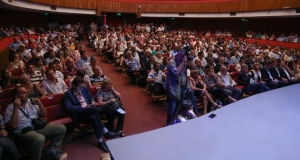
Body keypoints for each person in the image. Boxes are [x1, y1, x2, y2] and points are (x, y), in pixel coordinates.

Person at [5, 86, 66, 160]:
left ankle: (51, 153)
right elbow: (13, 126)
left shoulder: (31, 102)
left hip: (38, 126)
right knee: (40, 138)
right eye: (24, 93)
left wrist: (40, 104)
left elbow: (44, 114)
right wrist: (16, 108)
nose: (27, 94)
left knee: (61, 128)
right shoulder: (10, 108)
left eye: (27, 92)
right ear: (16, 96)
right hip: (24, 132)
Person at [64, 77, 118, 152]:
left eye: (82, 86)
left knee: (94, 118)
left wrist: (92, 101)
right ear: (74, 86)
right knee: (95, 110)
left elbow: (91, 97)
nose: (81, 89)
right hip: (79, 114)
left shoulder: (84, 89)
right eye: (79, 87)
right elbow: (69, 107)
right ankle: (105, 131)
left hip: (89, 111)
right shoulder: (68, 94)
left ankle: (100, 141)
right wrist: (84, 106)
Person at [164, 50, 197, 125]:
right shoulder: (172, 62)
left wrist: (188, 61)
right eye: (183, 56)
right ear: (179, 55)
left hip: (182, 87)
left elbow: (194, 67)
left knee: (179, 106)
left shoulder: (183, 61)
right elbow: (176, 73)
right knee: (172, 107)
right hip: (173, 88)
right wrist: (182, 62)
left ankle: (174, 120)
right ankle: (168, 123)